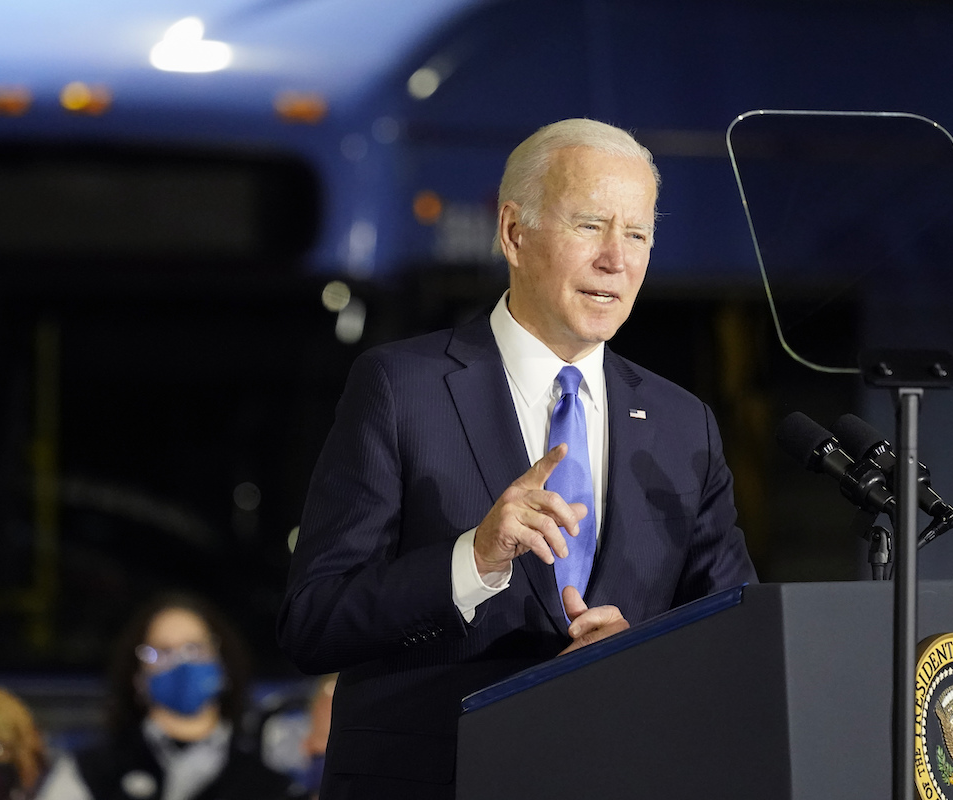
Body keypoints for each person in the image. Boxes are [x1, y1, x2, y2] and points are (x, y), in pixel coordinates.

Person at [277, 118, 758, 799]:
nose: (616, 260)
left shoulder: (684, 425)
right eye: (591, 225)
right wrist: (471, 559)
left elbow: (738, 642)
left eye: (639, 234)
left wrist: (643, 655)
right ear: (513, 233)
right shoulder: (400, 388)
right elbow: (313, 622)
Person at [36, 591, 297, 800]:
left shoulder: (267, 783)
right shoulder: (92, 772)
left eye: (194, 648)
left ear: (223, 665)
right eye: (162, 652)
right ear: (137, 677)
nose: (181, 664)